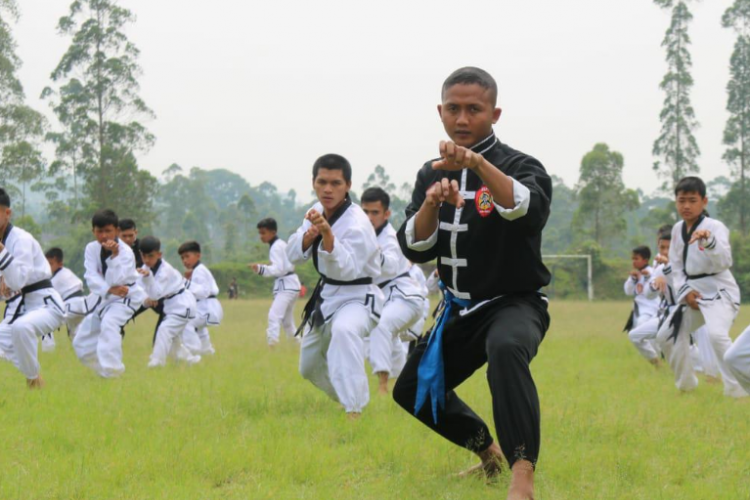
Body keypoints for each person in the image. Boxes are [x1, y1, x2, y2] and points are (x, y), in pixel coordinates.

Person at [392, 67, 552, 500]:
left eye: (474, 110)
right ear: (440, 112)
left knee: (505, 349)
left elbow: (529, 211)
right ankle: (489, 455)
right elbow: (414, 245)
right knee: (410, 390)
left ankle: (523, 473)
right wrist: (430, 204)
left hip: (514, 304)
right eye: (453, 109)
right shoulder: (431, 174)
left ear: (494, 113)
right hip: (459, 310)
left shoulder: (521, 166)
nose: (462, 120)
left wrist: (479, 166)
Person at [287, 153, 382, 419]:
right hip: (327, 296)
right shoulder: (314, 213)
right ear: (314, 182)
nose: (328, 189)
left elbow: (348, 269)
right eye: (322, 182)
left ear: (348, 185)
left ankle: (355, 411)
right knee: (308, 366)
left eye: (336, 183)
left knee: (344, 331)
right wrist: (309, 236)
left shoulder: (357, 224)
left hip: (359, 297)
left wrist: (328, 236)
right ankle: (345, 399)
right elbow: (292, 255)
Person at [656, 176, 747, 398]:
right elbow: (676, 265)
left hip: (719, 290)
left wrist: (709, 242)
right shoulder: (677, 229)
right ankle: (686, 385)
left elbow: (725, 262)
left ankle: (738, 391)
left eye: (692, 200)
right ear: (676, 202)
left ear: (704, 201)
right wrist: (686, 293)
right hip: (692, 290)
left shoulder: (715, 227)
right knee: (666, 335)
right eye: (681, 200)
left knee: (717, 336)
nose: (686, 206)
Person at [361, 186, 425, 393]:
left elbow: (388, 266)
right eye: (365, 212)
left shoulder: (388, 238)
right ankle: (402, 386)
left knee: (381, 326)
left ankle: (382, 386)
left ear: (386, 214)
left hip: (406, 298)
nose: (369, 217)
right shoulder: (363, 235)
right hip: (385, 298)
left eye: (375, 212)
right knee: (382, 337)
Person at [0, 188, 65, 388]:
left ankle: (33, 380)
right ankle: (37, 381)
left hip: (47, 305)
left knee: (22, 328)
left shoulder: (21, 240)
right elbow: (7, 289)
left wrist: (2, 252)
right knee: (14, 333)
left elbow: (18, 281)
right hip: (22, 306)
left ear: (7, 213)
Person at [72, 209, 146, 378]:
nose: (104, 236)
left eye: (108, 231)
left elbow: (118, 280)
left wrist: (114, 255)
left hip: (126, 296)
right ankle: (103, 373)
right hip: (105, 297)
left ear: (117, 231)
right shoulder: (91, 248)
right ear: (93, 232)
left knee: (110, 324)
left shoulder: (125, 252)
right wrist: (108, 289)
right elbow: (90, 276)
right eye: (99, 231)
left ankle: (113, 372)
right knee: (81, 342)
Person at [137, 236, 201, 367]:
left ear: (159, 254)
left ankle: (157, 362)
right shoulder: (145, 268)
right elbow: (140, 289)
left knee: (165, 330)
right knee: (173, 340)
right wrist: (146, 299)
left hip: (183, 304)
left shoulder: (166, 271)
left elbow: (155, 294)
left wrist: (148, 280)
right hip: (171, 306)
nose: (147, 260)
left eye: (151, 256)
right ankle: (190, 360)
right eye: (144, 256)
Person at [251, 218, 301, 347]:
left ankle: (272, 344)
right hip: (291, 284)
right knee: (287, 321)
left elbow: (279, 269)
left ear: (273, 232)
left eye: (264, 233)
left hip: (286, 285)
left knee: (274, 316)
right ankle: (297, 346)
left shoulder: (276, 247)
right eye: (260, 233)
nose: (261, 236)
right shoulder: (280, 244)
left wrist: (261, 269)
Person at [179, 241, 222, 355]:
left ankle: (193, 350)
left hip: (207, 306)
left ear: (198, 255)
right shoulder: (197, 270)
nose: (184, 261)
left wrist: (185, 283)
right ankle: (207, 351)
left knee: (186, 322)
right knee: (200, 328)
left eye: (187, 256)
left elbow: (203, 292)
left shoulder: (200, 271)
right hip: (207, 306)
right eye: (182, 258)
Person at [45, 247, 88, 342]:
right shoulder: (67, 272)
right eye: (47, 264)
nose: (48, 267)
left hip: (71, 306)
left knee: (46, 321)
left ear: (60, 263)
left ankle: (48, 348)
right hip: (83, 305)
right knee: (75, 333)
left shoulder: (56, 279)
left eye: (51, 264)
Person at [622, 246, 659, 333]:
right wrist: (633, 279)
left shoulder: (652, 272)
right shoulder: (635, 274)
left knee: (639, 335)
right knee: (635, 336)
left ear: (645, 260)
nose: (633, 262)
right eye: (632, 259)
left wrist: (647, 277)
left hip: (650, 310)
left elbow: (655, 289)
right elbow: (628, 291)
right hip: (638, 310)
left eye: (636, 259)